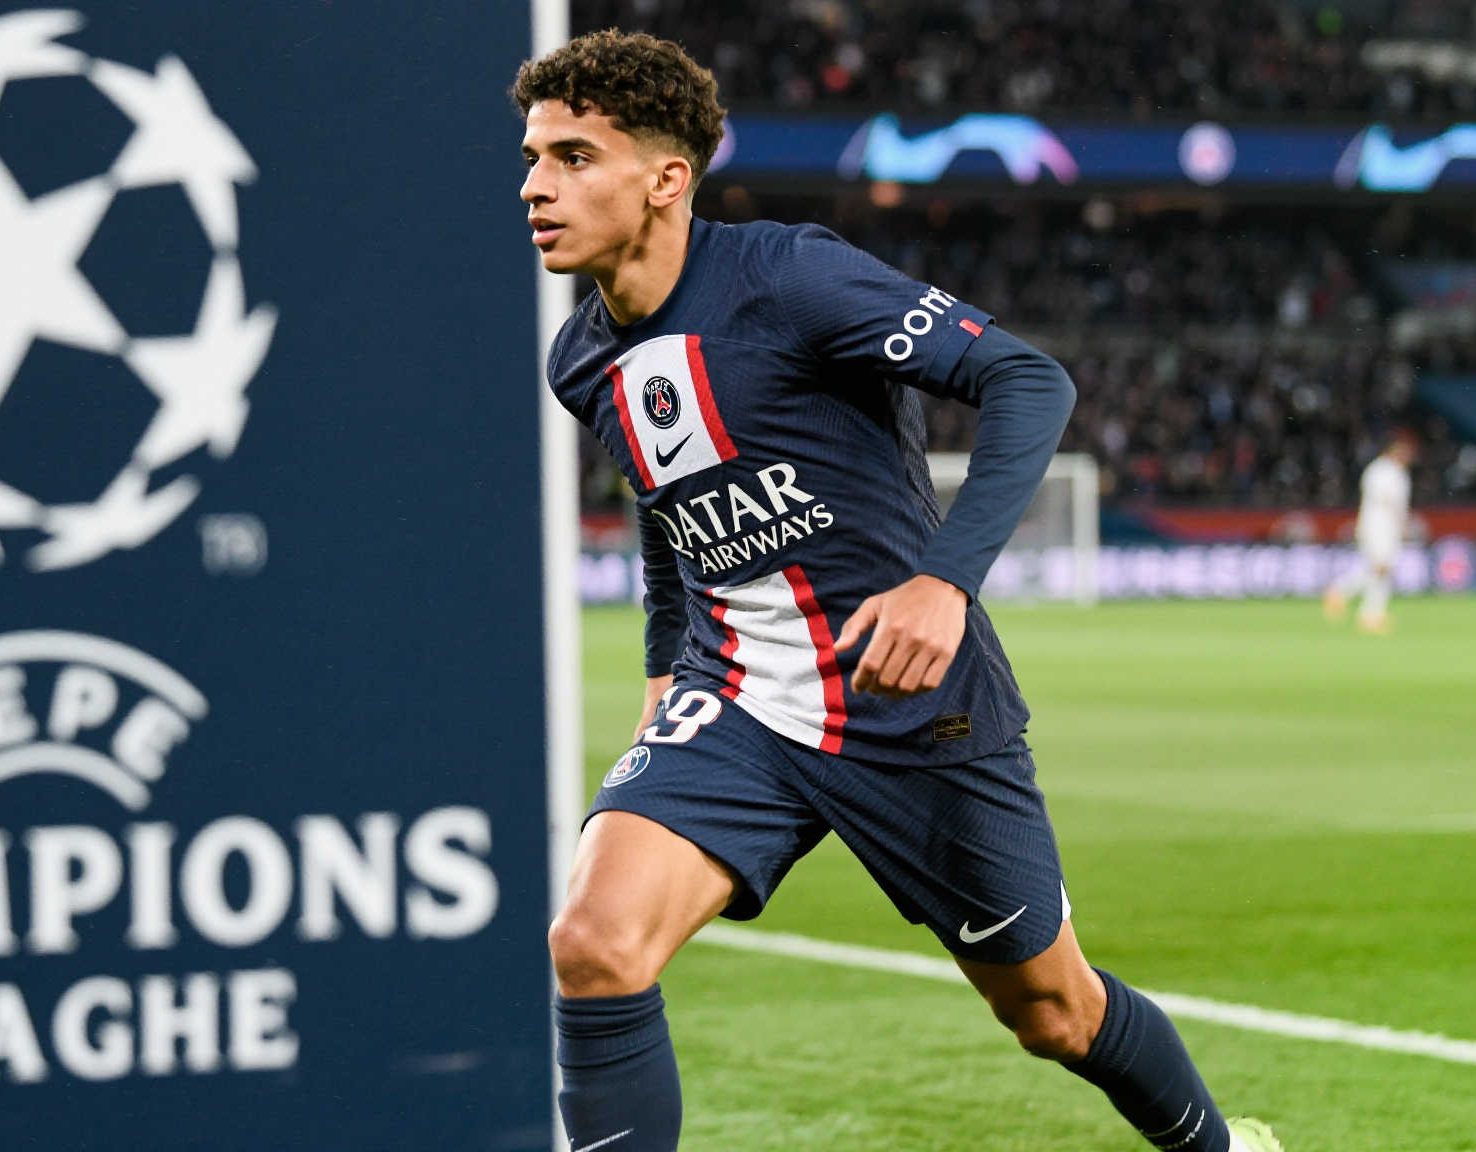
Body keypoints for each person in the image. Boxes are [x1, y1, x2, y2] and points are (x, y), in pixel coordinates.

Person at [517, 29, 1281, 1152]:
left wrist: (942, 582)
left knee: (1053, 1013)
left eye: (574, 157)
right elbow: (665, 506)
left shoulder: (790, 278)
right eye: (533, 158)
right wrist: (658, 675)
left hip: (912, 702)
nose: (535, 187)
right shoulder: (580, 359)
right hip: (738, 697)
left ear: (666, 179)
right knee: (592, 943)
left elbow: (1026, 378)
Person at [1323, 430, 1416, 634]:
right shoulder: (1383, 470)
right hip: (1379, 526)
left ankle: (1369, 613)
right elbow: (1387, 501)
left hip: (1381, 526)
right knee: (1380, 567)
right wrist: (1402, 524)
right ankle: (1343, 592)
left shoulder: (1388, 470)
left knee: (1379, 569)